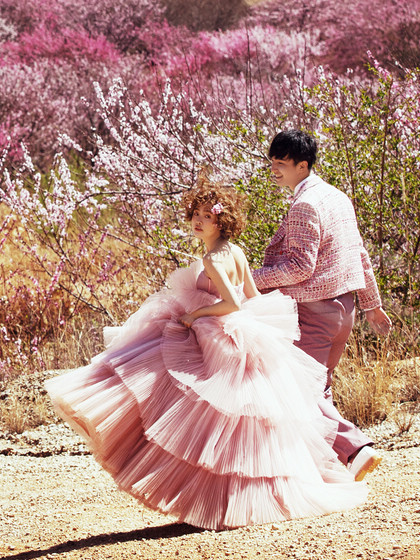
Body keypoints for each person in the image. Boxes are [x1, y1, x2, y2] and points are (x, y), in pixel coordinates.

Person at [44, 178, 369, 531]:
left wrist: (195, 315)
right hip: (242, 330)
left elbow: (230, 302)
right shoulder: (237, 250)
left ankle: (222, 497)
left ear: (220, 221)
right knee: (240, 420)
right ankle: (243, 498)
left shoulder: (214, 258)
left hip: (222, 331)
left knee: (196, 404)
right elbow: (252, 298)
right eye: (194, 215)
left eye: (206, 217)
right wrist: (256, 329)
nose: (198, 222)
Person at [254, 129, 392, 482]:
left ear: (303, 166)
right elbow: (359, 255)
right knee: (318, 389)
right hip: (342, 311)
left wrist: (248, 280)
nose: (274, 170)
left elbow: (301, 267)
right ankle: (329, 468)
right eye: (272, 162)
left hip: (313, 312)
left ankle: (355, 449)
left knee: (295, 389)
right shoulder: (337, 198)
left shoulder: (304, 205)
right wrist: (371, 306)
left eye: (281, 164)